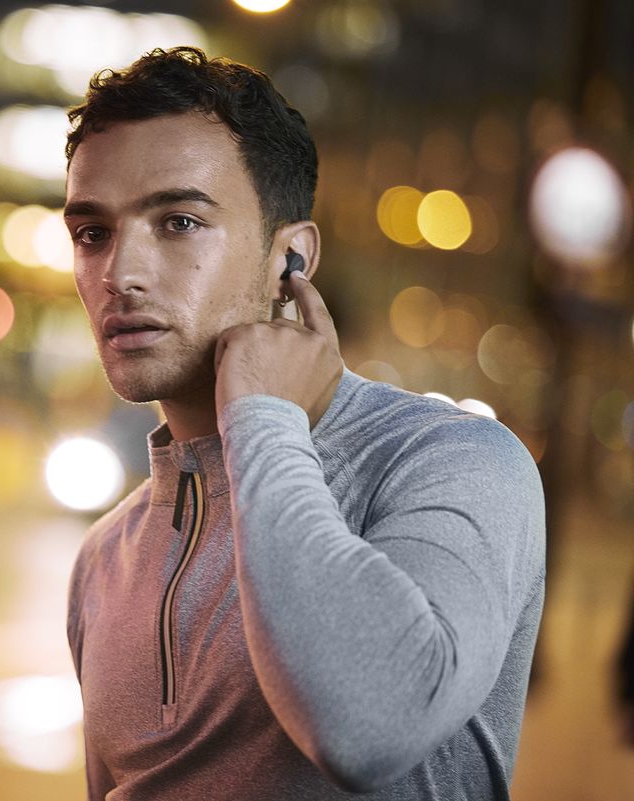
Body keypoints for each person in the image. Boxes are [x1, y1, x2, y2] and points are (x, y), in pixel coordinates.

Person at [63, 47, 546, 800]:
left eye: (179, 221)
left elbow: (369, 726)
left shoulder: (456, 462)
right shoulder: (102, 559)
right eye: (91, 232)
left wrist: (260, 416)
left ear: (290, 258)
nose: (121, 271)